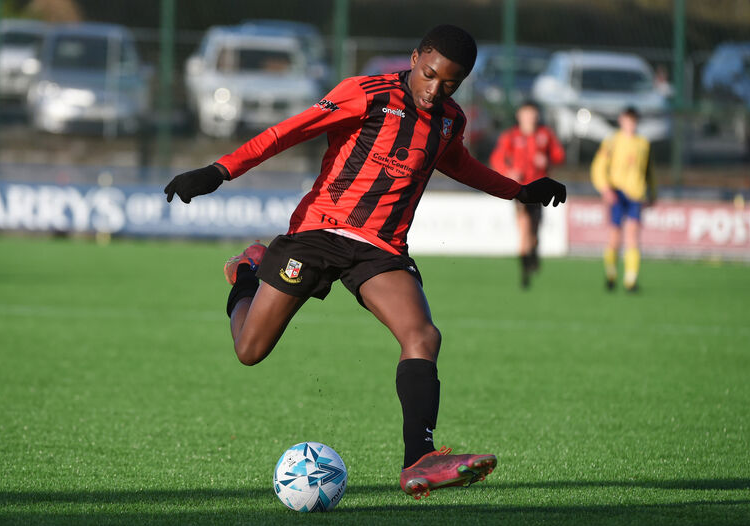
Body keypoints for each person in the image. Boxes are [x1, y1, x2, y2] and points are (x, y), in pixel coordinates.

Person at [164, 25, 566, 499]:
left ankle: (419, 460)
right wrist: (218, 171)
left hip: (382, 248)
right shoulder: (366, 93)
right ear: (415, 57)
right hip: (318, 233)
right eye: (429, 74)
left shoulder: (448, 121)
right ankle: (249, 273)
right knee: (250, 352)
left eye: (450, 84)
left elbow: (460, 165)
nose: (435, 90)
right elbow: (286, 133)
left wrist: (519, 190)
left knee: (423, 336)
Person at [490, 100, 565, 287]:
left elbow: (559, 155)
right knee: (524, 227)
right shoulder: (511, 136)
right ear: (520, 116)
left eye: (533, 114)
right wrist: (509, 172)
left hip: (540, 191)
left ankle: (532, 255)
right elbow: (496, 159)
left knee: (535, 231)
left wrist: (546, 160)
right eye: (526, 114)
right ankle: (524, 274)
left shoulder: (544, 134)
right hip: (520, 191)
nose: (530, 118)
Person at [590, 106, 655, 292]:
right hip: (616, 192)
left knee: (633, 234)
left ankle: (631, 280)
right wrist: (604, 189)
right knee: (615, 237)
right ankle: (611, 274)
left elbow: (649, 171)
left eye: (633, 120)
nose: (630, 124)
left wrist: (653, 193)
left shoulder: (643, 144)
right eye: (628, 120)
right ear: (621, 120)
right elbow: (598, 167)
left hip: (636, 194)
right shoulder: (612, 142)